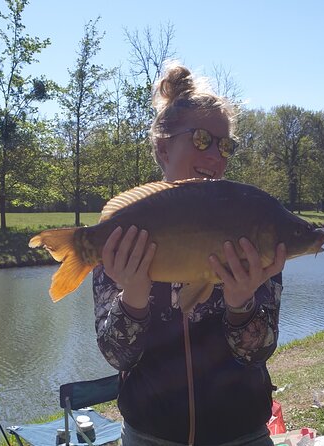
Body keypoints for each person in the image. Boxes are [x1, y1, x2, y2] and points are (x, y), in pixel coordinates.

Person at [92, 61, 286, 446]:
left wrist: (240, 304)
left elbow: (258, 353)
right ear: (164, 148)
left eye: (225, 144)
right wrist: (133, 296)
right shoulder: (126, 230)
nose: (216, 155)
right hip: (150, 436)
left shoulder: (248, 222)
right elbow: (118, 356)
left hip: (242, 435)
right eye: (201, 139)